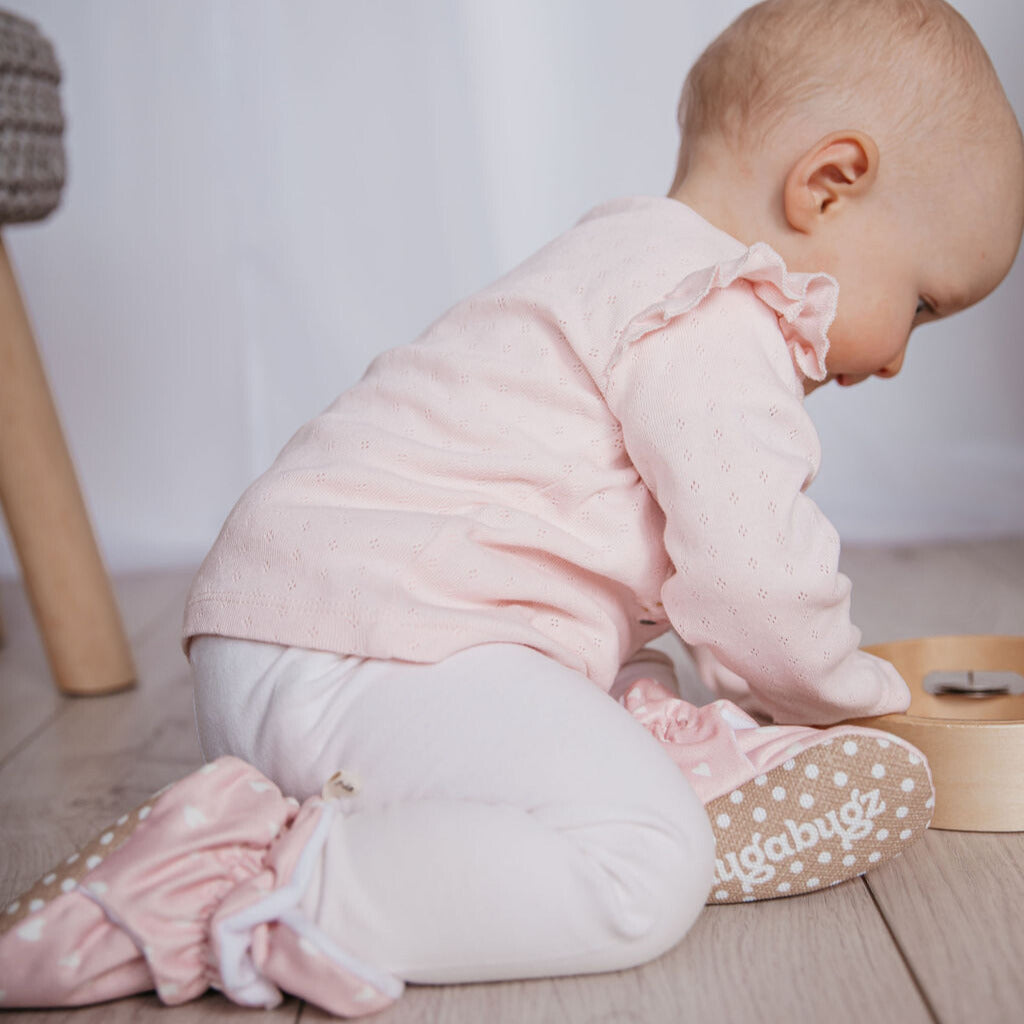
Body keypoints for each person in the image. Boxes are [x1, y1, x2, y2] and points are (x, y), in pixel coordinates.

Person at [2, 0, 1021, 1016]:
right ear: (829, 185)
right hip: (372, 652)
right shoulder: (715, 313)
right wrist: (858, 698)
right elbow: (757, 584)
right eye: (922, 305)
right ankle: (244, 886)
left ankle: (643, 743)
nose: (893, 358)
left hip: (317, 634)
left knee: (607, 659)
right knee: (643, 868)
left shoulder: (620, 259)